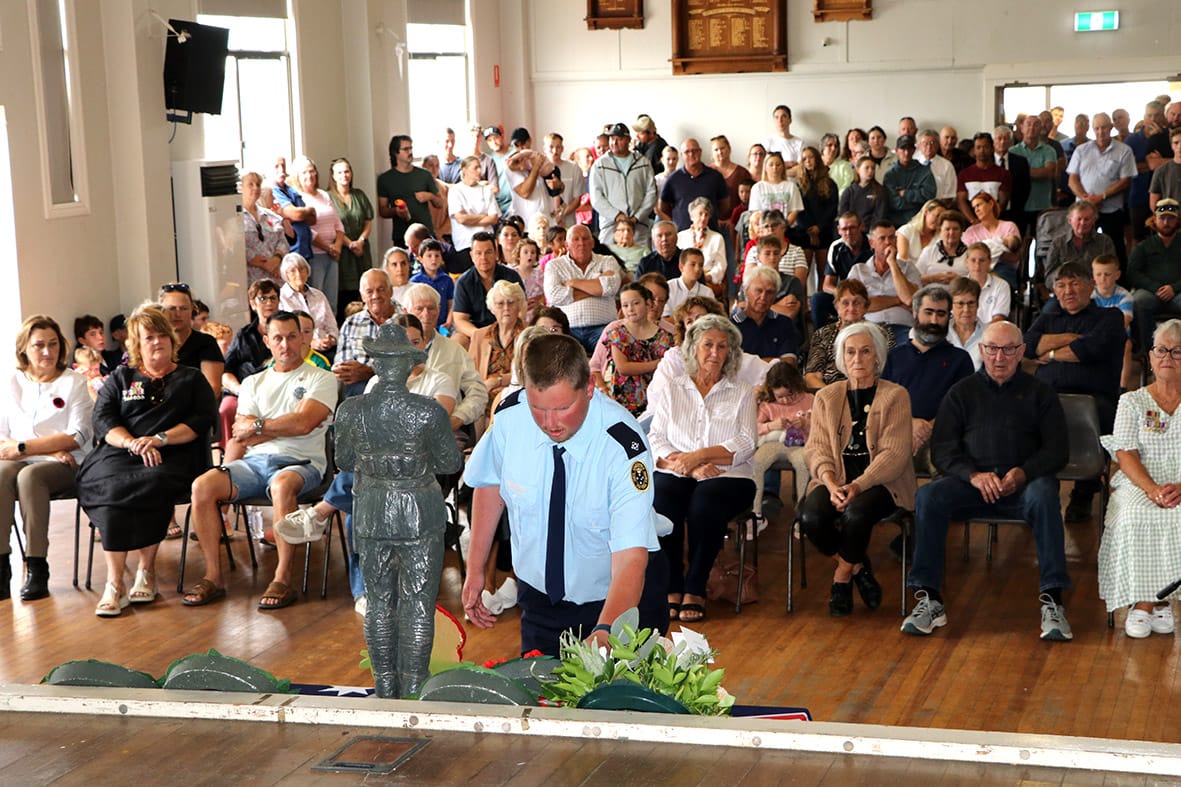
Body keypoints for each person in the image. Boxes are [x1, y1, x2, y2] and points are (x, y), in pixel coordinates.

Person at [462, 333, 666, 656]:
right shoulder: (509, 419)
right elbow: (490, 484)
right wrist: (474, 569)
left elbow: (631, 558)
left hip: (617, 604)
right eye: (538, 408)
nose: (550, 423)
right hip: (540, 604)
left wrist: (605, 631)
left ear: (588, 389)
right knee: (542, 702)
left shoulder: (622, 445)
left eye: (563, 408)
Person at [903, 321, 1072, 641]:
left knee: (1046, 494)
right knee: (929, 497)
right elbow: (942, 451)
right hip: (973, 485)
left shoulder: (1041, 393)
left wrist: (1024, 472)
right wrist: (973, 475)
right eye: (992, 349)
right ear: (981, 350)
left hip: (1024, 485)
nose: (999, 357)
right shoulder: (961, 392)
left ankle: (1053, 601)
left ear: (1021, 352)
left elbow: (1057, 451)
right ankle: (929, 599)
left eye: (1009, 349)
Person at [334, 319, 463, 696]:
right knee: (418, 603)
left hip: (372, 510)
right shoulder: (428, 412)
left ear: (374, 363)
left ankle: (385, 686)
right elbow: (450, 463)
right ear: (410, 364)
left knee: (378, 602)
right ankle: (414, 686)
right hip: (419, 511)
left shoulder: (351, 411)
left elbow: (343, 459)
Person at [185, 311, 338, 610]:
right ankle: (213, 576)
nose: (286, 344)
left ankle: (282, 577)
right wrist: (276, 426)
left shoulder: (321, 378)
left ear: (303, 338)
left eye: (293, 336)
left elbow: (304, 424)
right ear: (267, 341)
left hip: (302, 462)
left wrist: (259, 426)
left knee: (282, 486)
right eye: (278, 338)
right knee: (202, 485)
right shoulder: (253, 382)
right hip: (253, 463)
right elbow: (241, 434)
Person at [76, 306, 217, 616]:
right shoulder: (121, 377)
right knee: (111, 488)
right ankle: (114, 583)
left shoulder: (190, 378)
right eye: (148, 337)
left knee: (151, 479)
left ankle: (146, 569)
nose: (157, 342)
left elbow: (203, 419)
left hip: (174, 454)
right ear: (136, 345)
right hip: (118, 453)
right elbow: (102, 419)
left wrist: (159, 439)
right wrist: (132, 443)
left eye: (162, 335)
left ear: (172, 339)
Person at [801, 322, 915, 616]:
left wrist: (858, 486)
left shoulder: (895, 395)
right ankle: (858, 567)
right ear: (841, 357)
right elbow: (816, 449)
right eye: (850, 352)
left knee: (857, 513)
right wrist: (829, 484)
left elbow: (895, 455)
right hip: (834, 479)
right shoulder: (827, 397)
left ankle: (841, 579)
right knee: (811, 516)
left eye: (865, 352)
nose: (857, 359)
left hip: (881, 483)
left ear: (877, 356)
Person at [649, 315, 757, 624]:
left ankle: (695, 587)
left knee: (705, 502)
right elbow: (656, 437)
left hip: (731, 476)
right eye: (707, 344)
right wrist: (687, 466)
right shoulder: (673, 387)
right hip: (678, 470)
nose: (714, 352)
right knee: (662, 498)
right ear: (693, 348)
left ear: (731, 352)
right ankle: (672, 585)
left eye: (722, 346)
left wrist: (698, 456)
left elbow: (747, 441)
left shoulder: (742, 390)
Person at [1098, 320, 1181, 638]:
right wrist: (1153, 490)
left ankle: (1163, 602)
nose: (1167, 357)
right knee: (1135, 515)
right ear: (1150, 355)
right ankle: (1145, 604)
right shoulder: (1131, 401)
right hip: (1140, 481)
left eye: (1176, 351)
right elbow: (1125, 453)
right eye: (1161, 350)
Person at [0, 316, 92, 601]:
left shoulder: (74, 382)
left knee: (30, 476)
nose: (47, 352)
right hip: (30, 457)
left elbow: (77, 435)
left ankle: (37, 565)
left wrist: (27, 448)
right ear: (24, 349)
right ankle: (2, 567)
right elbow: (2, 438)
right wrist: (45, 449)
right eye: (39, 345)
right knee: (1, 475)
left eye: (53, 344)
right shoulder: (11, 383)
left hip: (67, 464)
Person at [1024, 262, 1125, 522]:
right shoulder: (1048, 318)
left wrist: (1051, 352)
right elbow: (1027, 346)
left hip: (1093, 401)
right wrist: (1072, 337)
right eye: (1061, 285)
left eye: (1075, 283)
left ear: (1091, 286)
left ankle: (1084, 490)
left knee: (1100, 412)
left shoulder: (1110, 318)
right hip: (1046, 399)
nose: (1067, 290)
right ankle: (1038, 493)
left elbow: (1090, 350)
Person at [882, 285, 975, 469]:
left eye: (941, 314)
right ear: (915, 313)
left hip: (942, 436)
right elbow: (882, 402)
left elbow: (963, 406)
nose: (934, 320)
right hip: (896, 432)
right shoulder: (893, 356)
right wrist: (910, 423)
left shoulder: (960, 359)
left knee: (946, 460)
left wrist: (927, 428)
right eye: (929, 312)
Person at [1067, 113, 1136, 270]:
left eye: (1104, 128)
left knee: (1115, 247)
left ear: (1111, 127)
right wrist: (1087, 200)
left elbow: (1125, 181)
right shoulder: (1081, 150)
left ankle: (1120, 284)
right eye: (1097, 128)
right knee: (1082, 247)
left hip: (1111, 209)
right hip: (1084, 212)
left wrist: (1101, 196)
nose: (1100, 132)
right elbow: (1072, 180)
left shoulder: (1124, 150)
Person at [750, 362, 813, 533]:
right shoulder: (768, 405)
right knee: (757, 463)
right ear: (772, 392)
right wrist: (771, 426)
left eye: (790, 395)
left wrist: (806, 424)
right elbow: (754, 428)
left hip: (800, 446)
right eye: (780, 397)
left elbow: (821, 426)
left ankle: (802, 515)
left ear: (797, 385)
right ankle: (755, 514)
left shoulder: (809, 400)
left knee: (803, 464)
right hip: (772, 444)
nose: (785, 401)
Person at [544, 224, 623, 355]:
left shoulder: (607, 260)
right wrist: (596, 286)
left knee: (614, 349)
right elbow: (554, 295)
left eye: (586, 238)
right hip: (568, 329)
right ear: (567, 244)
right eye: (576, 239)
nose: (581, 243)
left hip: (603, 328)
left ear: (592, 243)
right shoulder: (554, 265)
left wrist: (573, 283)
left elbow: (611, 287)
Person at [805, 279, 895, 389]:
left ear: (866, 306)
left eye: (857, 302)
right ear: (837, 306)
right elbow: (812, 377)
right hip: (831, 394)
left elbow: (891, 371)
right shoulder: (823, 334)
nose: (851, 308)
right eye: (845, 303)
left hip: (872, 393)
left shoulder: (882, 332)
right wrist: (833, 397)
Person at [221, 280, 280, 443]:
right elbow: (226, 371)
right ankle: (230, 454)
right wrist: (239, 390)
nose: (269, 303)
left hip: (276, 390)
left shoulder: (286, 333)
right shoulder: (243, 335)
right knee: (227, 408)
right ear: (253, 304)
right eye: (263, 299)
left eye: (273, 298)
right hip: (243, 391)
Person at [603, 282, 673, 416]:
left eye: (636, 303)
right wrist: (657, 364)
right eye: (625, 305)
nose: (630, 309)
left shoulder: (665, 337)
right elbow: (623, 367)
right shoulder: (618, 334)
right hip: (624, 402)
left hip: (658, 401)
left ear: (648, 304)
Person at [847, 220, 921, 346]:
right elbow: (857, 306)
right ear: (872, 243)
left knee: (907, 349)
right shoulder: (859, 271)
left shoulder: (909, 268)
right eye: (882, 238)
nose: (888, 242)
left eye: (891, 237)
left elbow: (910, 300)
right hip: (868, 329)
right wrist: (898, 300)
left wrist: (892, 263)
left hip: (902, 328)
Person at [292, 156, 347, 313]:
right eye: (304, 173)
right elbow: (306, 230)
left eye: (311, 171)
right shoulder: (299, 198)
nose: (309, 176)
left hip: (333, 255)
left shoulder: (324, 194)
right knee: (317, 301)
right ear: (298, 177)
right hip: (315, 255)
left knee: (332, 302)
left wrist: (337, 246)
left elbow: (338, 223)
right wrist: (328, 247)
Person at [589, 122, 657, 248]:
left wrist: (636, 217)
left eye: (619, 139)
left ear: (628, 140)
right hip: (610, 228)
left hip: (639, 227)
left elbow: (651, 193)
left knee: (639, 263)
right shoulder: (599, 165)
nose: (614, 143)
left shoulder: (643, 163)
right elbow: (596, 198)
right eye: (612, 139)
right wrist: (617, 216)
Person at [335, 269, 401, 397]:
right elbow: (345, 370)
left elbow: (411, 365)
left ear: (390, 291)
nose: (375, 296)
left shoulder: (406, 321)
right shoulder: (351, 323)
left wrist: (370, 371)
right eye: (369, 291)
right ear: (362, 296)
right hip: (359, 389)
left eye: (381, 289)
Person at [1128, 199, 1181, 357]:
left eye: (1171, 218)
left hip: (1178, 293)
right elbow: (1132, 273)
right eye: (1162, 218)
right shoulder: (1143, 246)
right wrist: (1155, 287)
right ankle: (1148, 351)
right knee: (1138, 301)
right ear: (1154, 220)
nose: (1166, 222)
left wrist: (1174, 288)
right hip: (1151, 294)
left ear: (1177, 220)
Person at [452, 232, 524, 347]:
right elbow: (460, 320)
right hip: (475, 331)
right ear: (471, 256)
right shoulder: (463, 282)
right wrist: (479, 334)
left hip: (507, 327)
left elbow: (521, 310)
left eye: (488, 252)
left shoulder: (511, 276)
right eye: (478, 253)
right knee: (457, 341)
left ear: (496, 253)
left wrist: (505, 332)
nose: (483, 258)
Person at [468, 280, 527, 420]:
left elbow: (528, 373)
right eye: (500, 304)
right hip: (483, 393)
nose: (506, 308)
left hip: (516, 391)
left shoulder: (529, 335)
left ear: (519, 306)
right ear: (492, 308)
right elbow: (470, 372)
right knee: (478, 401)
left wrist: (498, 381)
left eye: (511, 302)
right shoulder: (480, 335)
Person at [327, 157, 374, 314]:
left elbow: (368, 220)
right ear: (333, 176)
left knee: (365, 289)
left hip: (361, 250)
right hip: (342, 252)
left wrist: (360, 240)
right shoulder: (328, 197)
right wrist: (349, 244)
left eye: (347, 171)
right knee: (344, 292)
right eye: (339, 172)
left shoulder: (359, 195)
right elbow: (332, 225)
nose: (344, 175)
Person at [377, 135, 443, 247]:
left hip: (426, 235)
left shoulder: (424, 175)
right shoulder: (385, 179)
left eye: (411, 148)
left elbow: (440, 203)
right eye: (406, 149)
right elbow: (383, 211)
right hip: (401, 236)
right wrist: (396, 211)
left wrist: (430, 196)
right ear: (395, 153)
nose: (410, 152)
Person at [658, 138, 731, 233]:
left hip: (710, 234)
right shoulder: (673, 179)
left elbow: (724, 206)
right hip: (682, 236)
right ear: (681, 155)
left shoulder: (715, 176)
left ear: (700, 152)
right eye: (687, 152)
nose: (691, 154)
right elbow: (663, 207)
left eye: (694, 151)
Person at [731, 266, 800, 364]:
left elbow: (789, 362)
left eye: (770, 292)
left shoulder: (784, 323)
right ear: (745, 291)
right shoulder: (731, 326)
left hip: (777, 378)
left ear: (775, 294)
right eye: (758, 290)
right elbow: (733, 365)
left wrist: (749, 364)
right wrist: (774, 361)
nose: (763, 297)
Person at [1043, 200, 1115, 288]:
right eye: (1079, 219)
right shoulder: (1057, 243)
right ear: (1070, 220)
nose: (1082, 223)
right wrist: (1063, 285)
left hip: (1096, 291)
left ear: (1094, 220)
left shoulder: (1105, 242)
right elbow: (1049, 277)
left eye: (1087, 219)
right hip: (1066, 292)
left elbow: (1111, 271)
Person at [278, 253, 339, 356]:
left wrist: (331, 339)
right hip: (298, 351)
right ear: (286, 275)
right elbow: (285, 333)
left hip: (326, 348)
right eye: (293, 271)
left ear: (307, 271)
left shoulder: (319, 295)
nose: (298, 274)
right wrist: (311, 343)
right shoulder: (281, 298)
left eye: (302, 269)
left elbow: (332, 326)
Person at [448, 155, 500, 271]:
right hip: (465, 244)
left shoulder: (486, 190)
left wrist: (470, 218)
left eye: (480, 167)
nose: (479, 171)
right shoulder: (455, 191)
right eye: (475, 168)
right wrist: (482, 216)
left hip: (486, 240)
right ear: (464, 170)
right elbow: (461, 219)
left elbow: (493, 218)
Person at [962, 192, 1022, 289]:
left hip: (1003, 268)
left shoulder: (1009, 226)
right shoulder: (971, 231)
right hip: (976, 269)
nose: (976, 210)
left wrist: (996, 254)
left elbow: (1016, 257)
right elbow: (966, 256)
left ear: (990, 204)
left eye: (979, 205)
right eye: (974, 208)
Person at [241, 171, 288, 286]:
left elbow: (283, 241)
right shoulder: (235, 218)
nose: (255, 188)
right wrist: (265, 264)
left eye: (258, 184)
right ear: (241, 188)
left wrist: (276, 260)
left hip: (275, 277)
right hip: (251, 280)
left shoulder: (271, 216)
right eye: (250, 184)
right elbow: (238, 246)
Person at [883, 134, 936, 228]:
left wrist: (905, 193)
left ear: (914, 150)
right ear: (896, 151)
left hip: (919, 222)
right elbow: (895, 203)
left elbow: (929, 195)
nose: (906, 153)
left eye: (909, 149)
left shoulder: (925, 171)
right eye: (903, 149)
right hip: (896, 223)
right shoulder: (890, 176)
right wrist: (917, 200)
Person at [675, 197, 727, 288]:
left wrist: (707, 277)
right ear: (691, 216)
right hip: (684, 281)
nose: (703, 218)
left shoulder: (717, 238)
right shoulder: (680, 237)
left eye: (706, 215)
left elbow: (720, 265)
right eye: (700, 214)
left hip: (708, 282)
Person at [915, 210, 971, 285]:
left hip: (961, 293)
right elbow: (915, 278)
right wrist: (935, 278)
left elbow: (977, 279)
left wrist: (959, 280)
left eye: (955, 229)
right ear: (940, 231)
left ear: (961, 232)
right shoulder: (928, 252)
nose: (951, 233)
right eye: (947, 229)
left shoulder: (970, 253)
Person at [838, 156, 888, 231]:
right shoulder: (849, 192)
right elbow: (843, 215)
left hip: (871, 231)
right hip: (851, 231)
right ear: (858, 170)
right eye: (867, 168)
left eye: (873, 168)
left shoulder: (879, 191)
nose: (870, 171)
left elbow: (880, 215)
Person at [947, 277, 986, 368]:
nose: (966, 309)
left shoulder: (989, 335)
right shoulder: (941, 334)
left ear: (978, 304)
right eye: (960, 304)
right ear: (951, 305)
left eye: (971, 303)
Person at [765, 105, 804, 176]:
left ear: (790, 120)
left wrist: (777, 170)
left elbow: (800, 168)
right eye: (776, 117)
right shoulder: (768, 142)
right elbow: (764, 167)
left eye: (784, 116)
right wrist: (787, 164)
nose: (780, 120)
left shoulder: (799, 142)